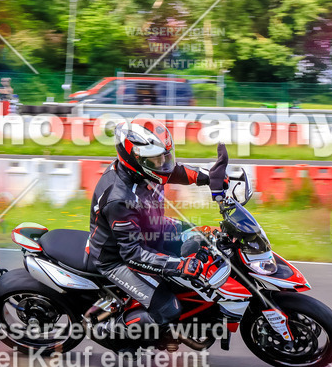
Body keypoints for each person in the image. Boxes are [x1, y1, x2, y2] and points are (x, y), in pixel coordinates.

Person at [86, 118, 229, 335]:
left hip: (150, 230)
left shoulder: (144, 170)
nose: (163, 163)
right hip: (116, 259)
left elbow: (173, 171)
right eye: (156, 159)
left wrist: (208, 177)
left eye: (165, 156)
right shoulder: (120, 200)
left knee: (205, 239)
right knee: (168, 309)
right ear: (134, 159)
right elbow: (133, 254)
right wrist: (180, 266)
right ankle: (114, 332)